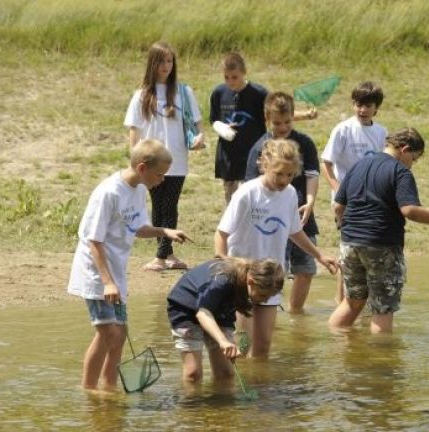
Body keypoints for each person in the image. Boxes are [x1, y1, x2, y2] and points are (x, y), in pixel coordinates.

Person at [67, 138, 192, 392]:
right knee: (107, 334)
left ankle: (109, 388)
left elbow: (138, 228)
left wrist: (164, 231)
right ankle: (89, 391)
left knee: (120, 335)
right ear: (143, 168)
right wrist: (108, 282)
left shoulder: (138, 190)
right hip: (96, 273)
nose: (163, 180)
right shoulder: (109, 192)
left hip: (115, 272)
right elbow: (94, 241)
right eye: (160, 174)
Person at [215, 138, 339, 358]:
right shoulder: (247, 193)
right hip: (244, 279)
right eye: (279, 173)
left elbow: (294, 231)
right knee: (242, 347)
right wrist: (225, 263)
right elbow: (222, 233)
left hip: (271, 279)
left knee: (263, 347)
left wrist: (320, 255)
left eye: (290, 175)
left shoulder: (290, 193)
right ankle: (236, 386)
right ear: (265, 165)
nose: (284, 180)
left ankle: (261, 388)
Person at [328, 128, 429, 334]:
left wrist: (347, 230)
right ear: (405, 150)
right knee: (382, 309)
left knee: (352, 302)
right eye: (413, 159)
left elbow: (338, 206)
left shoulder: (359, 165)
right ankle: (380, 363)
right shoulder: (400, 172)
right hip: (382, 245)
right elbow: (410, 210)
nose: (412, 164)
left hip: (349, 243)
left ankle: (337, 351)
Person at [124, 41, 205, 272]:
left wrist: (199, 138)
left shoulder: (184, 92)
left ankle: (161, 256)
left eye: (169, 61)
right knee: (158, 206)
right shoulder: (141, 95)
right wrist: (134, 158)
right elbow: (134, 130)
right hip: (150, 161)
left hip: (176, 159)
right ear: (152, 63)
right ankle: (166, 254)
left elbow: (197, 124)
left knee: (170, 205)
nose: (166, 66)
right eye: (161, 61)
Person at [245, 91, 320, 314]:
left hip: (302, 215)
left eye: (287, 122)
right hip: (270, 221)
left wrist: (310, 201)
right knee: (276, 271)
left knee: (306, 268)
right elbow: (249, 186)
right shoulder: (261, 147)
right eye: (277, 123)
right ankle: (270, 311)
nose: (283, 127)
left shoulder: (304, 142)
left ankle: (295, 313)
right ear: (268, 119)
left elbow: (312, 174)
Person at [210, 53, 318, 204]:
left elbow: (278, 113)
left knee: (257, 200)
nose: (230, 82)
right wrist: (222, 127)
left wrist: (306, 114)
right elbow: (214, 120)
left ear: (244, 72)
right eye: (226, 77)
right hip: (230, 157)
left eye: (234, 77)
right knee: (234, 202)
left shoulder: (258, 93)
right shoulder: (219, 93)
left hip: (256, 154)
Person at [321, 81, 387, 304]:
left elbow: (382, 164)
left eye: (367, 105)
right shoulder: (343, 129)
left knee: (367, 250)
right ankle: (341, 302)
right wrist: (338, 190)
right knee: (347, 251)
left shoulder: (381, 132)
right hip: (346, 203)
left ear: (376, 107)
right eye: (358, 104)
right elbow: (326, 163)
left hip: (372, 201)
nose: (362, 109)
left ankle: (361, 303)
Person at [167, 257, 284, 383]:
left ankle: (222, 402)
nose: (265, 300)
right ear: (250, 281)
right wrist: (223, 341)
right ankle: (191, 402)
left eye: (269, 297)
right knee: (193, 374)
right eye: (263, 295)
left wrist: (230, 342)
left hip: (219, 312)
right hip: (186, 309)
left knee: (226, 373)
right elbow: (203, 314)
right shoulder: (223, 279)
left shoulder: (245, 285)